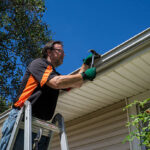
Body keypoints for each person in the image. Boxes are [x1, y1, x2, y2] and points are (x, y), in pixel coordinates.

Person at [0, 40, 96, 150]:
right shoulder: (39, 64)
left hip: (38, 124)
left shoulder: (52, 73)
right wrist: (84, 76)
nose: (63, 54)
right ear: (49, 52)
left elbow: (75, 83)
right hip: (21, 118)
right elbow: (56, 82)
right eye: (60, 51)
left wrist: (85, 66)